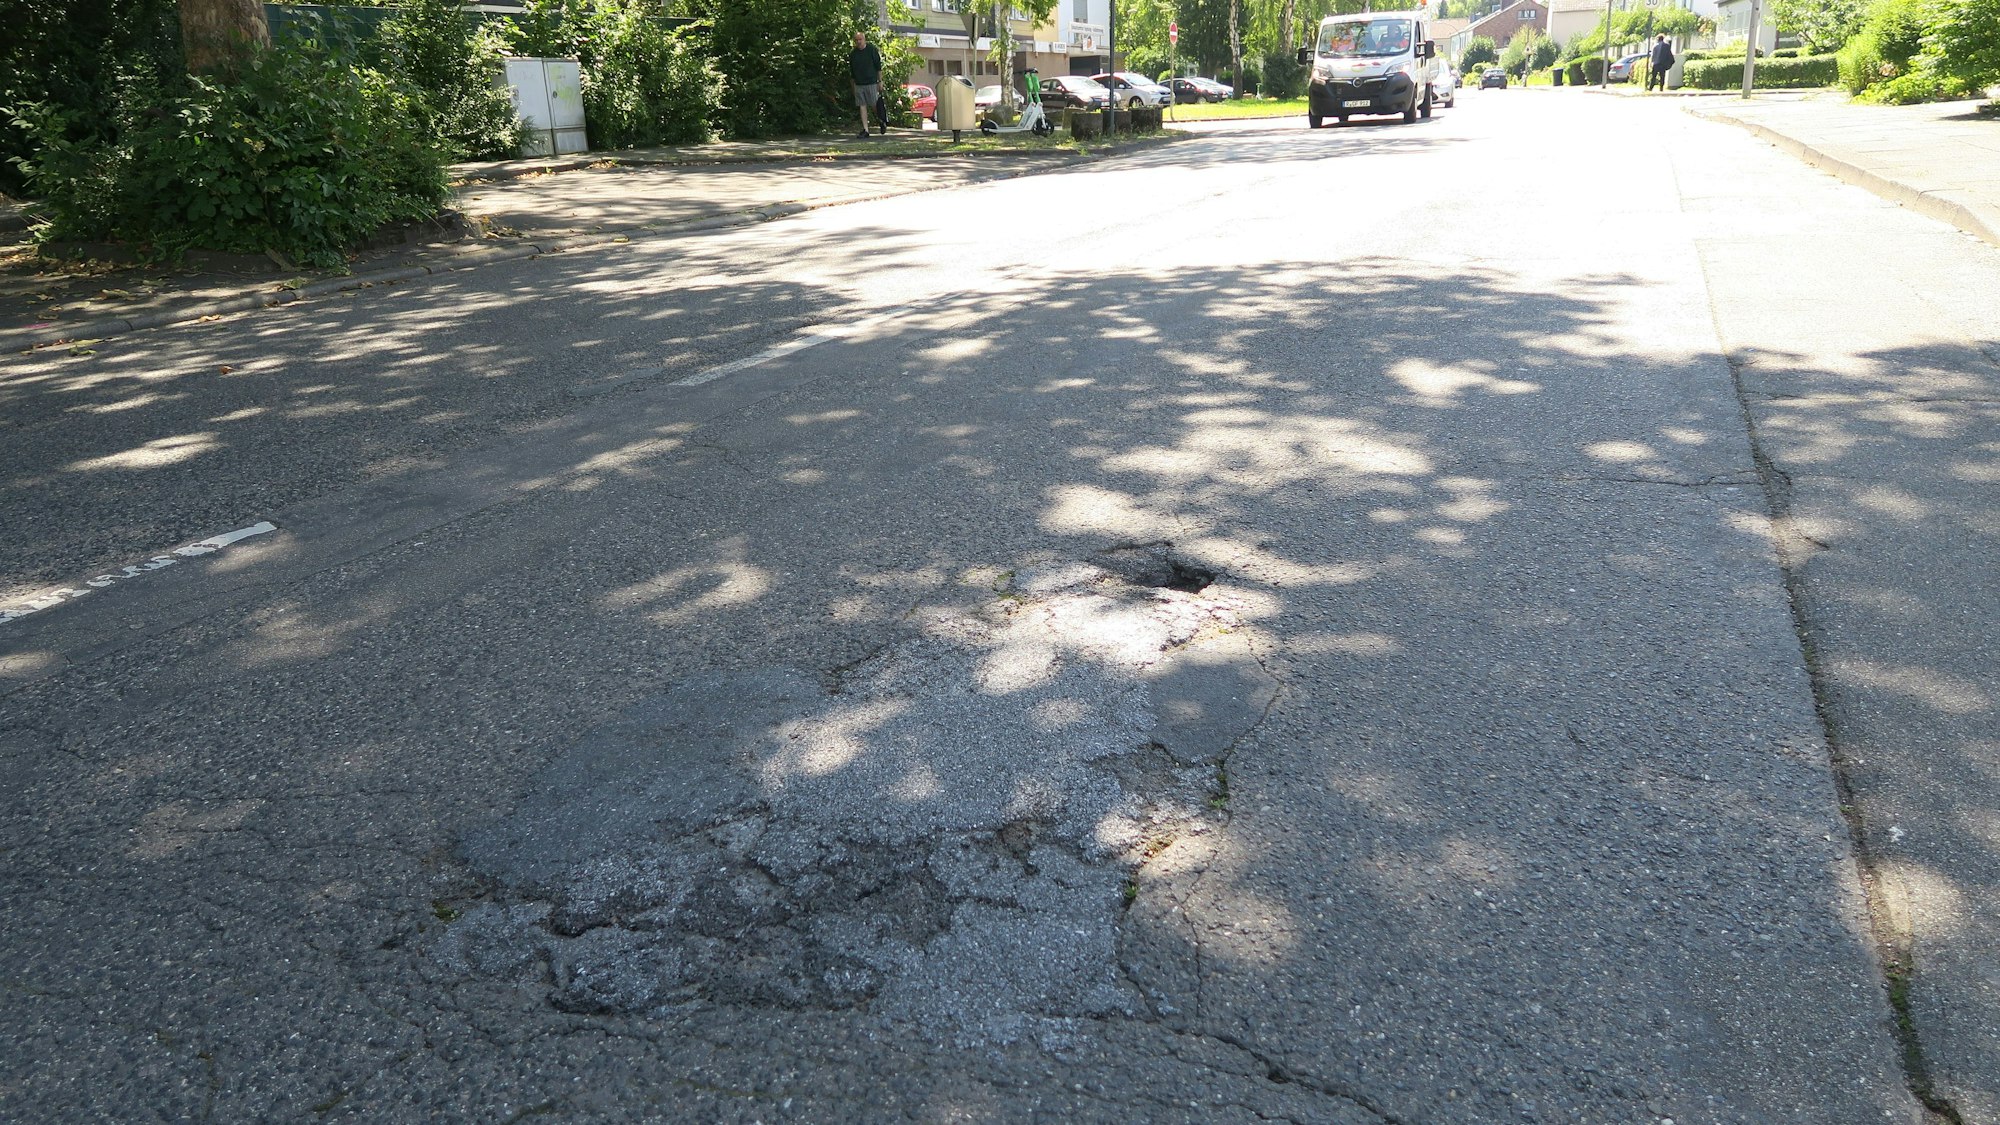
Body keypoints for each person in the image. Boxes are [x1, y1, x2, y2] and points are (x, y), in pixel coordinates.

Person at [850, 31, 885, 138]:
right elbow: (852, 72)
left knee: (874, 104)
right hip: (859, 83)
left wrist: (880, 81)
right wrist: (853, 86)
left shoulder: (871, 50)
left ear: (864, 39)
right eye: (856, 40)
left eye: (860, 39)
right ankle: (865, 130)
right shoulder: (853, 54)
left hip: (871, 82)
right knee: (862, 105)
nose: (858, 42)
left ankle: (881, 120)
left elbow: (878, 67)